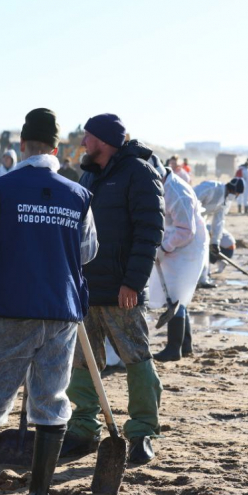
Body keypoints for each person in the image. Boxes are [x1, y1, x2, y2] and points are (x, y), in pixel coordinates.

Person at [0, 109, 98, 495]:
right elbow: (87, 253)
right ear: (55, 146)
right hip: (62, 311)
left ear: (21, 144)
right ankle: (40, 491)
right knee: (51, 398)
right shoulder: (78, 194)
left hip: (12, 309)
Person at [60, 113, 165, 465]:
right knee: (83, 362)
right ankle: (83, 429)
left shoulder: (139, 172)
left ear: (103, 141)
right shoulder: (89, 175)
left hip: (123, 290)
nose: (83, 144)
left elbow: (149, 231)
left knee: (136, 358)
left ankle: (141, 433)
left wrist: (133, 282)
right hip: (86, 288)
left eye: (87, 137)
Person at [147, 156, 208, 362]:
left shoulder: (177, 192)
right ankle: (186, 344)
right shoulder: (164, 185)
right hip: (176, 242)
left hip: (188, 246)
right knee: (178, 295)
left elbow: (186, 230)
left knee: (175, 295)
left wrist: (164, 247)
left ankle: (174, 349)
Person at [194, 178, 245, 286]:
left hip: (199, 222)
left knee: (204, 247)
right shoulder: (212, 187)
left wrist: (215, 242)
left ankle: (203, 279)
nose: (237, 196)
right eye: (237, 193)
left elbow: (219, 221)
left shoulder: (225, 201)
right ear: (233, 189)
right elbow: (191, 199)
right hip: (186, 219)